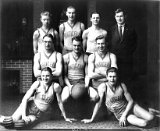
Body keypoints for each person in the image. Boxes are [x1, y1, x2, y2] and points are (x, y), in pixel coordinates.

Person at [82, 67, 160, 127]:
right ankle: (150, 111)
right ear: (107, 77)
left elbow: (131, 101)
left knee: (151, 118)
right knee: (144, 123)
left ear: (117, 77)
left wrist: (124, 115)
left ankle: (151, 113)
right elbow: (98, 104)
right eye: (110, 76)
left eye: (114, 77)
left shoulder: (122, 85)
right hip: (121, 114)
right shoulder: (103, 87)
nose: (112, 79)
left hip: (131, 108)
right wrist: (91, 119)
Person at [0, 67, 74, 129]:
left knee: (21, 124)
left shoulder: (55, 86)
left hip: (40, 114)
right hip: (29, 106)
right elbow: (25, 99)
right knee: (9, 121)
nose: (45, 78)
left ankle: (19, 120)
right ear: (40, 76)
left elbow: (59, 102)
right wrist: (23, 115)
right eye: (43, 76)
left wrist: (65, 117)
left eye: (47, 76)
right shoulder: (37, 84)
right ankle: (2, 118)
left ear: (51, 76)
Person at [61, 36, 99, 103]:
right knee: (64, 99)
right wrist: (69, 86)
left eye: (78, 45)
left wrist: (86, 85)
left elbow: (87, 74)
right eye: (74, 45)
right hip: (70, 83)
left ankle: (86, 110)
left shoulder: (85, 57)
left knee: (96, 97)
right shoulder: (66, 57)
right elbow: (64, 76)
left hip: (82, 83)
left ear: (81, 45)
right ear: (72, 45)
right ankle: (64, 113)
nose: (76, 47)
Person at [108, 8, 137, 84]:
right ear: (115, 17)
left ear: (125, 17)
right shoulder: (111, 30)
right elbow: (109, 44)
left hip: (127, 60)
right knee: (115, 80)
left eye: (121, 16)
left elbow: (134, 44)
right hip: (115, 60)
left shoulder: (131, 29)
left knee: (127, 81)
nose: (119, 18)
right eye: (117, 16)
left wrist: (127, 53)